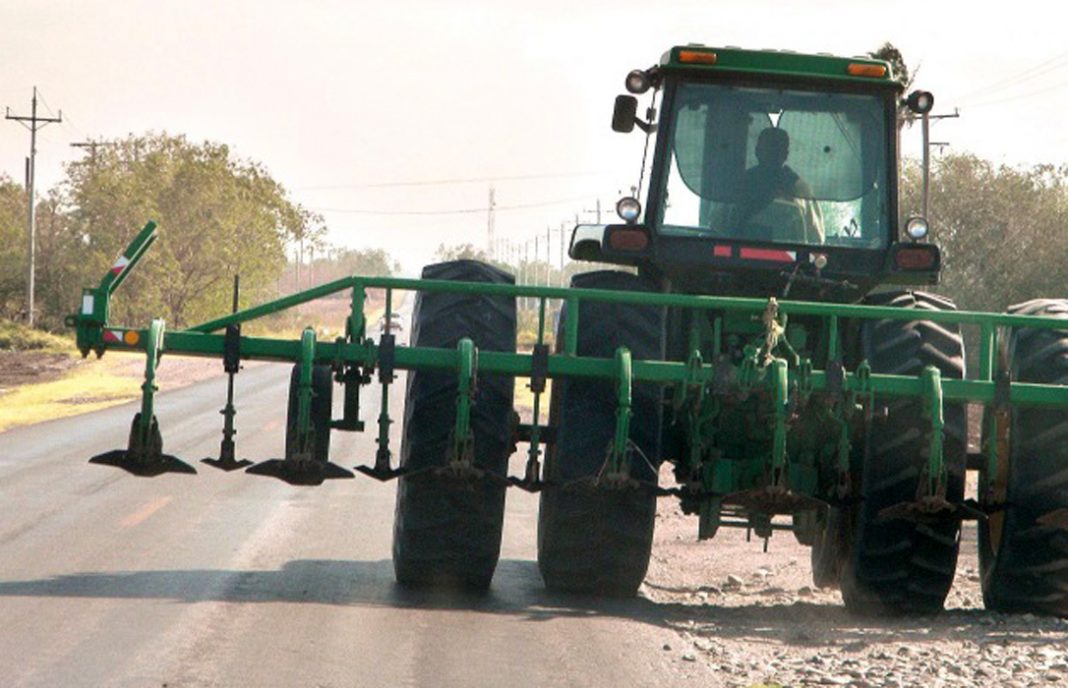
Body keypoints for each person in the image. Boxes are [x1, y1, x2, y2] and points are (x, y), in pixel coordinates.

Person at [731, 127, 824, 243]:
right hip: (792, 259)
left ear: (757, 151)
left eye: (774, 150)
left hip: (737, 258)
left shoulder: (739, 185)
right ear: (786, 155)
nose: (771, 153)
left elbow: (719, 226)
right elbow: (816, 239)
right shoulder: (801, 190)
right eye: (769, 149)